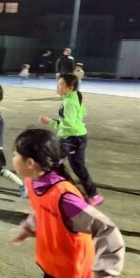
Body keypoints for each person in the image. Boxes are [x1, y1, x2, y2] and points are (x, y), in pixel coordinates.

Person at [12, 128, 124, 278]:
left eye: (15, 154)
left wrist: (105, 272)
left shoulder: (65, 197)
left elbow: (107, 229)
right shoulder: (35, 182)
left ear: (30, 162)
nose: (13, 158)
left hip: (73, 269)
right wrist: (29, 228)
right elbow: (42, 211)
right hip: (57, 263)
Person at [39, 73, 103, 206]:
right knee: (57, 161)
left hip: (73, 138)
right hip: (71, 137)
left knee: (74, 166)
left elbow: (69, 125)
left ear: (70, 87)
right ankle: (58, 187)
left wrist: (50, 121)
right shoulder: (75, 96)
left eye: (60, 85)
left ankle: (91, 194)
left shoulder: (69, 102)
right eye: (57, 84)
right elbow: (83, 112)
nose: (57, 87)